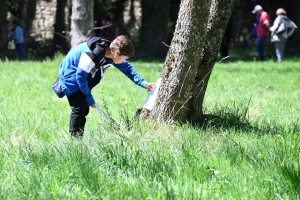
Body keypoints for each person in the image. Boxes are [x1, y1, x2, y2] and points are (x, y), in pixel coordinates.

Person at [58, 35, 155, 137]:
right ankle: (75, 141)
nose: (124, 60)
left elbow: (127, 68)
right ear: (117, 53)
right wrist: (89, 97)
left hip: (81, 79)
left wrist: (143, 83)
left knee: (84, 109)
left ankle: (78, 138)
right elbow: (80, 76)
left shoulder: (110, 54)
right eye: (125, 58)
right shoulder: (94, 54)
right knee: (79, 108)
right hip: (70, 77)